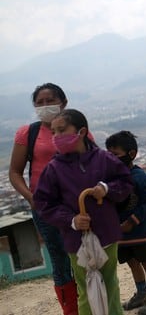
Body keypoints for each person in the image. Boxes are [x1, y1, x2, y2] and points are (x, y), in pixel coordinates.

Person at [33, 109, 133, 315]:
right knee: (85, 289)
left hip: (107, 234)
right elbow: (43, 203)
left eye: (62, 130)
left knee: (110, 284)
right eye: (54, 132)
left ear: (81, 132)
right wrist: (71, 220)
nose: (56, 137)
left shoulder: (104, 159)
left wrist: (106, 189)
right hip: (75, 239)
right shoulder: (53, 169)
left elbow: (125, 183)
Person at [8, 83, 78, 315]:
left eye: (50, 101)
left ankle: (91, 303)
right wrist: (31, 198)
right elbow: (15, 172)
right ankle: (71, 310)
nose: (45, 106)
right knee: (59, 259)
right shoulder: (29, 133)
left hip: (76, 206)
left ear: (63, 103)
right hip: (45, 207)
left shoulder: (76, 128)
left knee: (83, 255)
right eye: (39, 102)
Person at [105, 130, 146, 315]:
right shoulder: (111, 180)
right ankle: (141, 293)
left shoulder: (140, 177)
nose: (111, 159)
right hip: (121, 235)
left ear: (131, 154)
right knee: (132, 263)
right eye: (109, 154)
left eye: (115, 155)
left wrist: (133, 220)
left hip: (140, 232)